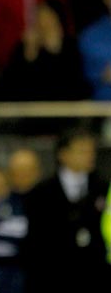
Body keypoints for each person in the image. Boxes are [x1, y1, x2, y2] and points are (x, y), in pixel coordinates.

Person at [22, 126, 111, 293]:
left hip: (94, 278)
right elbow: (34, 243)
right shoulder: (41, 193)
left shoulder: (103, 188)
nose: (89, 156)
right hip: (53, 279)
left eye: (91, 151)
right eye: (81, 151)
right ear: (63, 154)